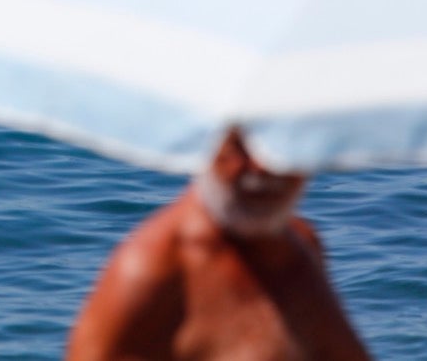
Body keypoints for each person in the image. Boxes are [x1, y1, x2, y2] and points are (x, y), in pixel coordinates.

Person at [66, 127, 371, 361]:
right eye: (242, 148)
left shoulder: (300, 248)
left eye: (285, 150)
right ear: (207, 146)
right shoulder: (151, 271)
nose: (264, 168)